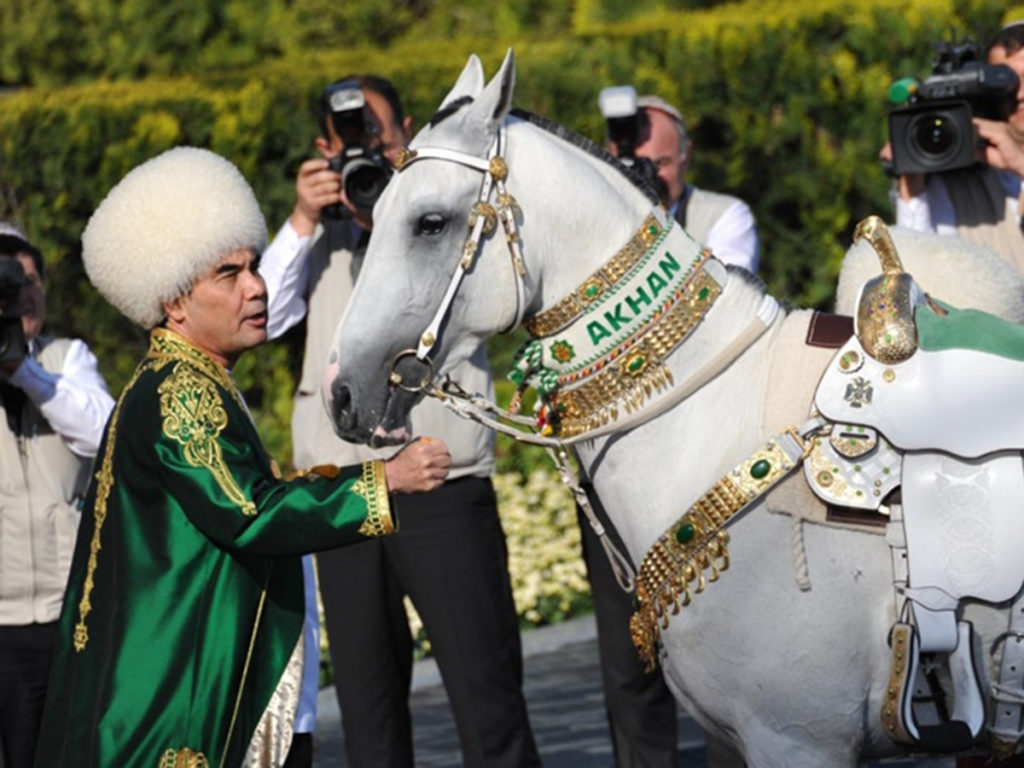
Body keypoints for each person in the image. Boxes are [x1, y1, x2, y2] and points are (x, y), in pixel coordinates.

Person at [32, 146, 451, 768]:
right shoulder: (181, 390)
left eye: (253, 267)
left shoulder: (187, 377)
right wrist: (383, 481)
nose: (256, 288)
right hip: (177, 701)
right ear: (174, 302)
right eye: (228, 275)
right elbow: (250, 511)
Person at [260, 76, 540, 768]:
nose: (364, 151)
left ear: (407, 131)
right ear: (324, 150)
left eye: (376, 136)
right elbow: (262, 318)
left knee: (488, 696)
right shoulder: (315, 241)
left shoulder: (446, 210)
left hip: (442, 479)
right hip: (345, 490)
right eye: (345, 141)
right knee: (368, 710)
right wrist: (302, 218)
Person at [0, 224, 114, 768]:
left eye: (27, 280)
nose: (19, 293)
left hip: (72, 611)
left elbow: (103, 433)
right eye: (3, 282)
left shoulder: (65, 359)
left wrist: (23, 372)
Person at [891, 21, 1024, 273]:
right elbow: (918, 275)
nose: (1019, 94)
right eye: (1007, 84)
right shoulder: (960, 182)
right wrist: (913, 180)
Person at [609, 94, 760, 273]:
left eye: (659, 164)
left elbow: (724, 294)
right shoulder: (591, 222)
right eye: (632, 166)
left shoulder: (723, 217)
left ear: (686, 157)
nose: (644, 178)